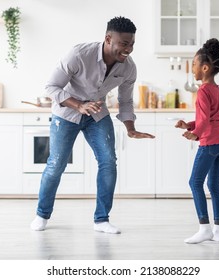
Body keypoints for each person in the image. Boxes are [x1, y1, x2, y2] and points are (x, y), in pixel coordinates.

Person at [30, 16, 155, 233]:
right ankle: (42, 215)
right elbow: (51, 87)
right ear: (108, 39)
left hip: (97, 115)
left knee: (108, 161)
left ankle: (102, 220)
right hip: (66, 114)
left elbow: (125, 100)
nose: (129, 49)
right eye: (124, 43)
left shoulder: (128, 68)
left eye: (132, 44)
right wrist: (78, 105)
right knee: (56, 164)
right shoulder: (79, 54)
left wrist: (130, 128)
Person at [175, 38, 219, 244]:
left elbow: (205, 122)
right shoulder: (215, 89)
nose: (192, 69)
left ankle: (204, 228)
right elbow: (208, 118)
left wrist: (196, 134)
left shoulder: (201, 91)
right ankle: (218, 231)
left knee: (195, 182)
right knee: (214, 184)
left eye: (194, 65)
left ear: (205, 67)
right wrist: (189, 126)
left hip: (210, 142)